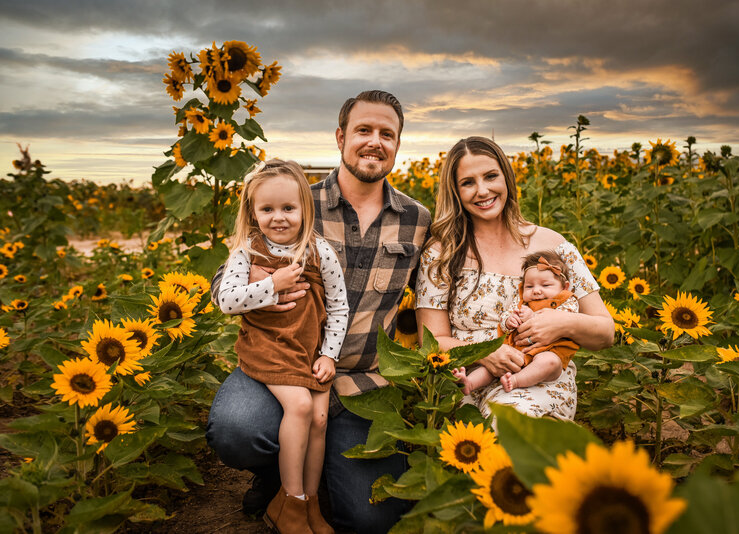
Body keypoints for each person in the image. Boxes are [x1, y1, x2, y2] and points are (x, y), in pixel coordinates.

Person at [206, 90, 431, 534]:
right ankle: (278, 477)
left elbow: (436, 294)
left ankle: (322, 473)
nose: (375, 141)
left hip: (364, 381)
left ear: (399, 144)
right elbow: (223, 283)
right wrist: (270, 289)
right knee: (238, 429)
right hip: (283, 364)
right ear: (340, 136)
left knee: (372, 520)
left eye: (388, 133)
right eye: (364, 130)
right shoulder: (292, 204)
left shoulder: (416, 219)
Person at [415, 136, 614, 422]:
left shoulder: (553, 246)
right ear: (455, 192)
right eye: (468, 182)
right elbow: (430, 342)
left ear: (506, 178)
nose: (482, 190)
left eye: (491, 176)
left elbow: (606, 332)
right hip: (466, 380)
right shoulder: (442, 252)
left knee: (512, 425)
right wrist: (484, 353)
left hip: (537, 379)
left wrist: (561, 322)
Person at [217, 159, 348, 533]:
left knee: (320, 420)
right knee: (302, 405)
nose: (279, 217)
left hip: (308, 350)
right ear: (252, 211)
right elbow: (227, 301)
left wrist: (328, 354)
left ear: (305, 209)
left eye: (288, 208)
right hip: (267, 346)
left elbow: (339, 307)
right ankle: (290, 500)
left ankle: (309, 505)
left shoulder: (319, 251)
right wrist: (272, 284)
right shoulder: (247, 252)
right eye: (267, 209)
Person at [452, 250, 580, 394]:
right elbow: (506, 317)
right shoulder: (522, 302)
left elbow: (565, 320)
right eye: (529, 286)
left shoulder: (567, 301)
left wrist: (534, 317)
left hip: (550, 351)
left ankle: (516, 381)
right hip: (518, 352)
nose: (537, 291)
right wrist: (508, 321)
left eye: (545, 285)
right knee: (492, 366)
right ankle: (469, 383)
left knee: (549, 362)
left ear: (564, 287)